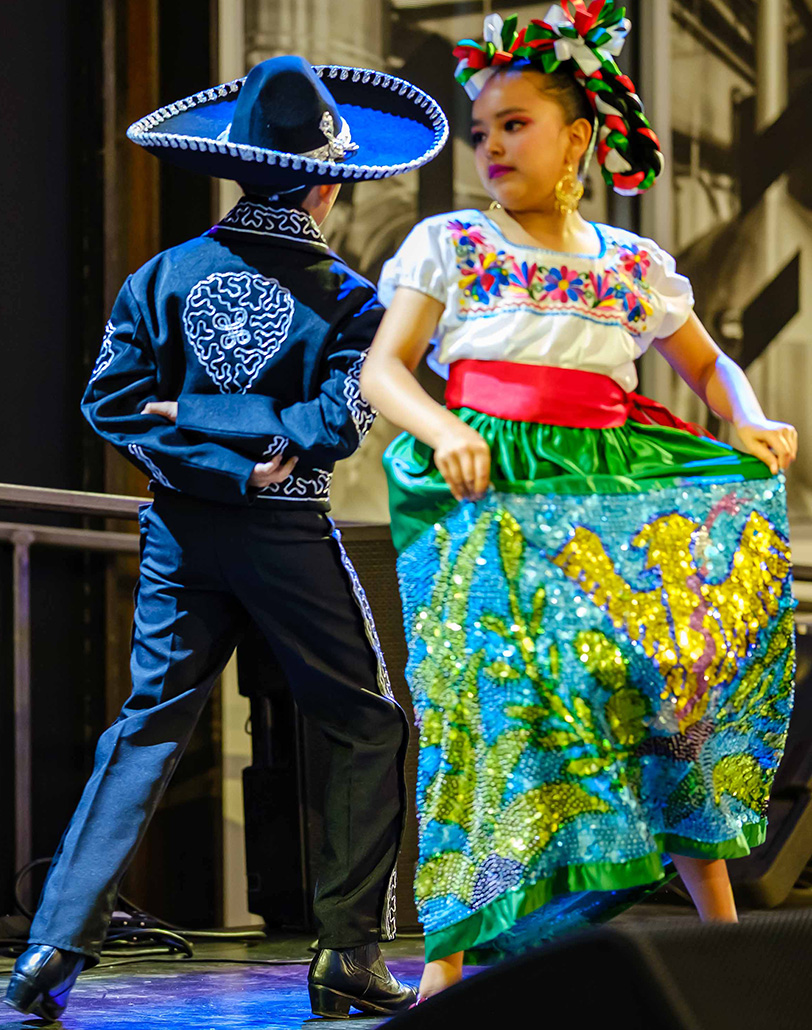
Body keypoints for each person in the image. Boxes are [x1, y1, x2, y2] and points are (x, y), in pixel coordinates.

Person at [360, 5, 798, 1001]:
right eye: (480, 131)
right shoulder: (453, 243)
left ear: (579, 138)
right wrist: (442, 427)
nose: (491, 146)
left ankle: (722, 944)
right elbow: (385, 368)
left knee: (661, 700)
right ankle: (446, 965)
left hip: (613, 490)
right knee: (491, 709)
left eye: (513, 123)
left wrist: (745, 416)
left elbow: (708, 362)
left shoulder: (627, 264)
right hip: (500, 495)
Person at [5, 55, 448, 1021]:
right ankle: (347, 953)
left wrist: (196, 420)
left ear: (234, 169)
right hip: (285, 533)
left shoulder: (161, 275)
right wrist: (260, 447)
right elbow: (333, 422)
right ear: (330, 184)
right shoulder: (351, 300)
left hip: (179, 533)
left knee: (146, 727)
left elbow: (115, 403)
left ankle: (50, 948)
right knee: (367, 719)